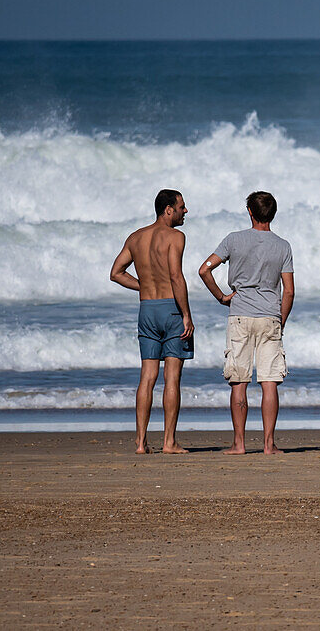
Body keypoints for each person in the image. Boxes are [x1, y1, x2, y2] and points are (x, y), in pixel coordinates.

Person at [198, 191, 294, 455]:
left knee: (239, 382)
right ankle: (268, 444)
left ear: (250, 212)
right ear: (272, 214)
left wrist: (221, 297)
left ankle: (239, 444)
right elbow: (289, 291)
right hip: (269, 315)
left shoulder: (234, 239)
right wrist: (280, 320)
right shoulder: (283, 245)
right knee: (270, 382)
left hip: (240, 314)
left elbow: (204, 269)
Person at [109, 189, 194, 455]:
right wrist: (186, 315)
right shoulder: (175, 237)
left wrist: (144, 285)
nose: (185, 211)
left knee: (147, 377)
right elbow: (175, 276)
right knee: (172, 378)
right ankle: (169, 442)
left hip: (146, 309)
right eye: (182, 206)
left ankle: (140, 442)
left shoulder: (136, 237)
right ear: (168, 209)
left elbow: (116, 273)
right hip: (170, 308)